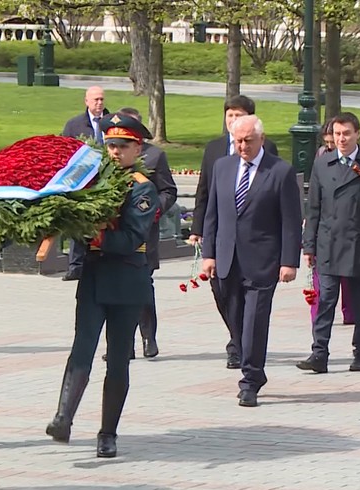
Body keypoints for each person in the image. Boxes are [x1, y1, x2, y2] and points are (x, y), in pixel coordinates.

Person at [46, 113, 160, 458]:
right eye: (110, 144)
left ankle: (107, 432)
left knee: (118, 359)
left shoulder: (142, 187)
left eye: (122, 145)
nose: (114, 151)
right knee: (82, 347)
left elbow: (130, 238)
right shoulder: (91, 181)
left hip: (127, 279)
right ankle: (63, 417)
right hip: (95, 276)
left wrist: (91, 232)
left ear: (136, 148)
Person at [201, 115, 302, 406]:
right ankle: (251, 365)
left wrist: (288, 261)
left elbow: (290, 221)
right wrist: (209, 254)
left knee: (255, 321)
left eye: (248, 140)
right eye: (237, 141)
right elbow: (213, 214)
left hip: (263, 260)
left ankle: (250, 379)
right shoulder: (223, 167)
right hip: (226, 258)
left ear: (261, 139)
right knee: (236, 320)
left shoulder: (280, 171)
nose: (242, 146)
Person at [190, 95, 279, 369]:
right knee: (223, 293)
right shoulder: (215, 150)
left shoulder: (268, 148)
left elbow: (271, 192)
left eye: (239, 116)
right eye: (229, 116)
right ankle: (237, 336)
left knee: (249, 300)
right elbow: (205, 192)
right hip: (221, 236)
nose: (233, 121)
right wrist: (198, 228)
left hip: (254, 241)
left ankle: (238, 346)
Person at [298, 112, 360, 373]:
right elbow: (313, 208)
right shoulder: (322, 164)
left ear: (358, 134)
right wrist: (309, 245)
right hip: (328, 243)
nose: (342, 139)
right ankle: (319, 353)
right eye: (337, 134)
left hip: (359, 245)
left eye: (347, 133)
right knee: (325, 300)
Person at [115, 107, 178, 359]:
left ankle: (148, 336)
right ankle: (123, 343)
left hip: (143, 235)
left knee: (141, 289)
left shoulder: (155, 156)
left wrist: (154, 209)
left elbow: (168, 191)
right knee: (117, 290)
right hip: (115, 234)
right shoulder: (109, 159)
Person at [61, 85, 108, 282]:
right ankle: (76, 266)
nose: (99, 103)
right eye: (95, 99)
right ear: (86, 101)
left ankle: (101, 261)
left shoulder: (111, 122)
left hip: (106, 180)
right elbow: (65, 151)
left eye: (102, 99)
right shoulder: (75, 125)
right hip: (81, 181)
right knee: (79, 223)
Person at [313, 119, 355, 326]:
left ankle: (351, 313)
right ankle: (318, 321)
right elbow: (314, 201)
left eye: (337, 138)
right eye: (329, 141)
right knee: (324, 286)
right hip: (326, 233)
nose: (333, 144)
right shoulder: (322, 158)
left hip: (351, 234)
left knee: (349, 281)